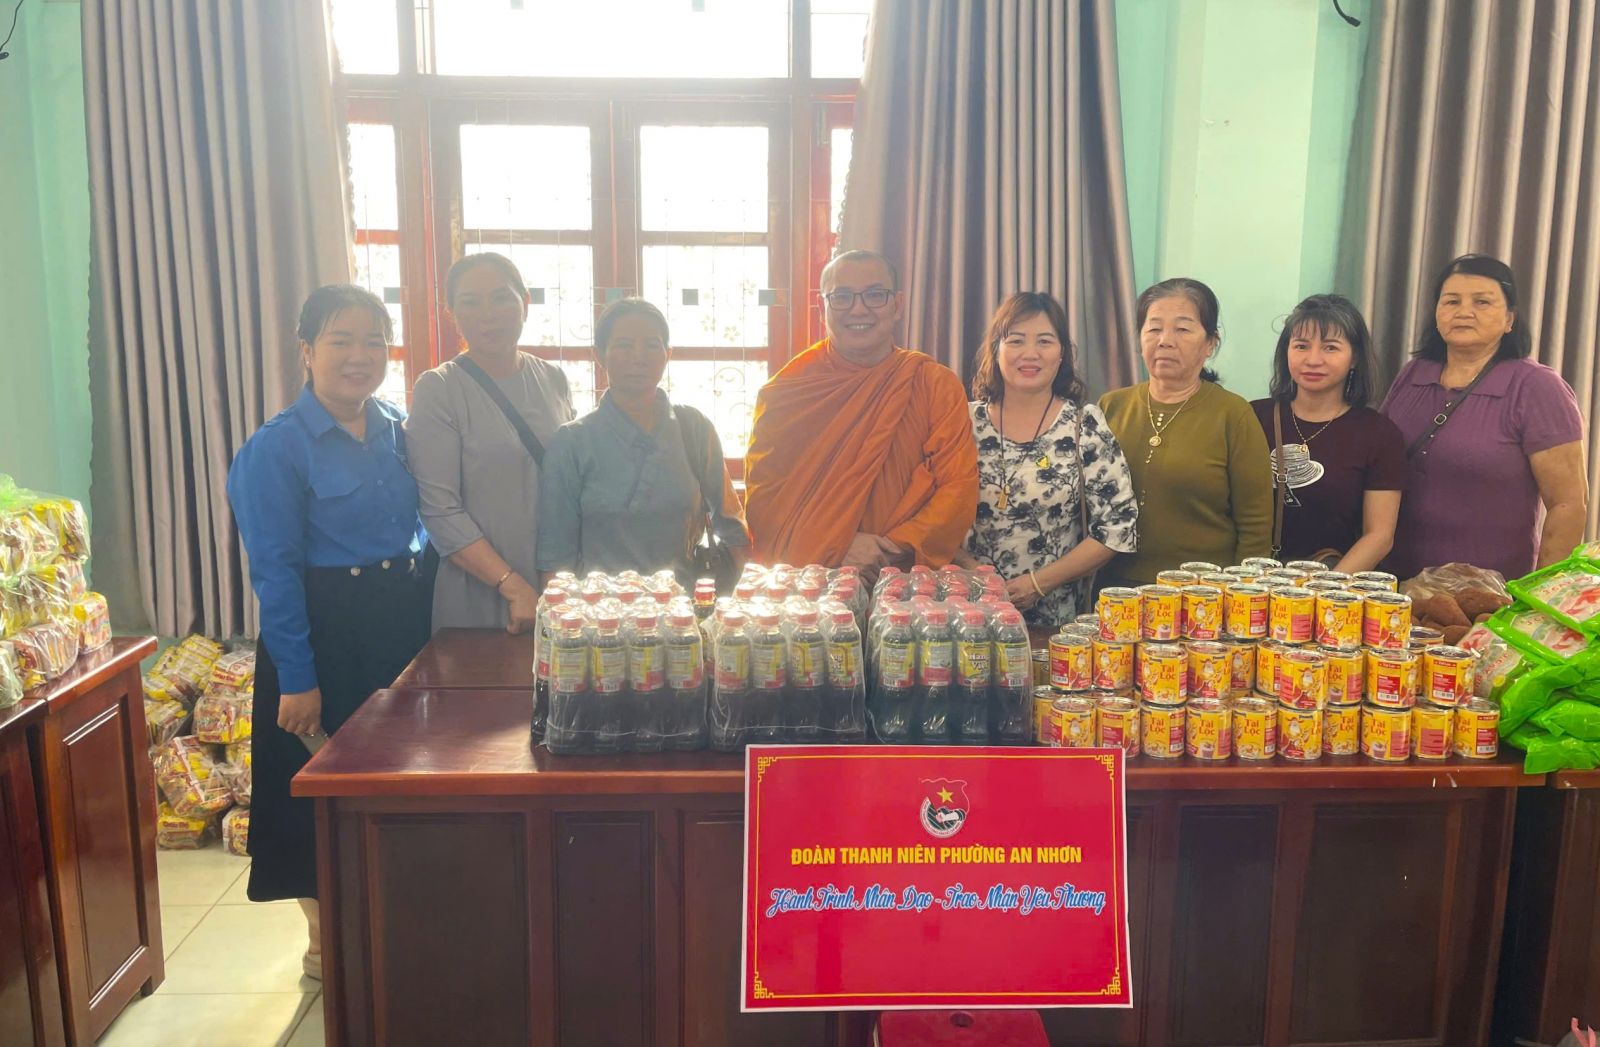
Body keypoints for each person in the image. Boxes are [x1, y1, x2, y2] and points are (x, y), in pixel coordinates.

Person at [227, 285, 434, 980]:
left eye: (374, 341)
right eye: (341, 340)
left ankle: (389, 916)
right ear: (307, 352)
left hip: (398, 625)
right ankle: (325, 939)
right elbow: (276, 573)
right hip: (322, 633)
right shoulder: (277, 447)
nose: (359, 355)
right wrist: (298, 677)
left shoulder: (398, 428)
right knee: (314, 790)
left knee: (394, 779)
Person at [744, 249, 978, 572]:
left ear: (897, 305)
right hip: (812, 582)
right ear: (821, 309)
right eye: (841, 297)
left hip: (909, 578)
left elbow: (958, 488)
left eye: (875, 295)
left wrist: (891, 547)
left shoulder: (934, 384)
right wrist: (836, 545)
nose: (858, 309)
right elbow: (765, 504)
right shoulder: (785, 394)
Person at [1381, 254, 1587, 580]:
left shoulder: (1536, 387)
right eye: (1451, 301)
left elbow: (1568, 504)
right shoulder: (1413, 374)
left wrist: (1538, 593)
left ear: (1509, 319)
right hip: (1394, 586)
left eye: (1482, 302)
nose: (1464, 312)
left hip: (1491, 594)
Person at [406, 252, 574, 633]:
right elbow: (439, 510)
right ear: (452, 314)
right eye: (470, 302)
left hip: (557, 586)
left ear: (525, 303)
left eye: (501, 298)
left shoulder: (552, 379)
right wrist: (512, 586)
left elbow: (570, 479)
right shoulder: (439, 389)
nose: (488, 315)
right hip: (481, 586)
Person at [954, 292, 1138, 625]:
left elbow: (1118, 526)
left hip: (1058, 622)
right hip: (967, 615)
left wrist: (1038, 584)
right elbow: (930, 514)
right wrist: (974, 572)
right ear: (996, 349)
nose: (1030, 353)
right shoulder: (961, 422)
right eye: (1016, 340)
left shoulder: (1084, 425)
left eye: (1044, 341)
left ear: (1062, 353)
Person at [537, 298, 747, 582]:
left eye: (651, 345)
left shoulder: (694, 428)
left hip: (685, 603)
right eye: (624, 345)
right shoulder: (573, 442)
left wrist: (742, 597)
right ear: (599, 355)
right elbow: (555, 558)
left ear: (667, 354)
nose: (638, 357)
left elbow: (732, 528)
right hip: (602, 605)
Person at [1099, 277, 1273, 584]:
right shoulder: (1110, 407)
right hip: (1115, 591)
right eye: (1154, 329)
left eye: (1182, 329)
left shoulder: (1233, 415)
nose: (1165, 341)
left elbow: (1255, 525)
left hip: (1201, 594)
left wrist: (1243, 592)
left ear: (1210, 344)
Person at [1250, 294, 1406, 572]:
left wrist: (1327, 587)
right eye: (1301, 346)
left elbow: (1379, 536)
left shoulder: (1379, 434)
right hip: (1253, 585)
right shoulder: (1252, 417)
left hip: (1334, 582)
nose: (1313, 360)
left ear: (1354, 357)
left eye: (1330, 348)